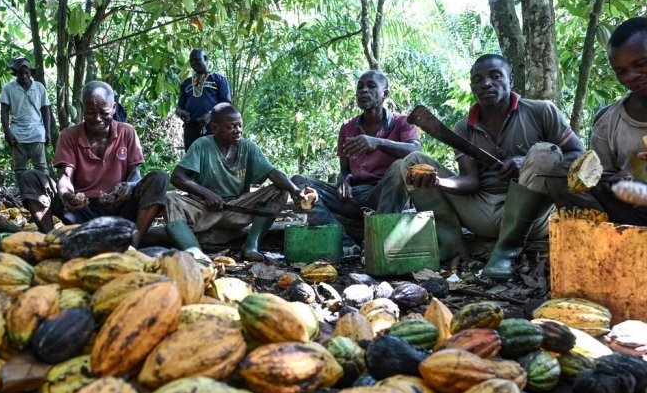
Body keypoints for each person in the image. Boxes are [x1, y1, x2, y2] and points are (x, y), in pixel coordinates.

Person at [389, 54, 584, 280]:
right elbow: (470, 181)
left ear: (511, 81)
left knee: (546, 152)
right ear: (472, 87)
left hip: (530, 216)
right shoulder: (464, 128)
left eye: (495, 76)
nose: (486, 83)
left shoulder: (541, 111)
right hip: (483, 212)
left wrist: (526, 162)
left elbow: (578, 155)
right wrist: (438, 182)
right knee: (412, 160)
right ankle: (449, 244)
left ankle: (506, 252)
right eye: (478, 80)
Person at [19, 81, 168, 246]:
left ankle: (134, 242)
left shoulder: (127, 132)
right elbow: (65, 176)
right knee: (30, 178)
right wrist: (67, 195)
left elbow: (135, 174)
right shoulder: (69, 135)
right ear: (82, 108)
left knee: (159, 178)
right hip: (81, 211)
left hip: (119, 207)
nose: (97, 119)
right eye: (90, 112)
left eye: (104, 112)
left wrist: (130, 186)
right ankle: (52, 242)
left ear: (114, 108)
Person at [292, 70, 421, 256]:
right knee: (298, 183)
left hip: (385, 196)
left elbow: (416, 151)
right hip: (354, 198)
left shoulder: (402, 122)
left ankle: (377, 241)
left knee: (401, 166)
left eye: (371, 86)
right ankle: (344, 241)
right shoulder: (348, 128)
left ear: (385, 93)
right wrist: (344, 180)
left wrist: (377, 142)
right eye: (360, 86)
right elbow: (344, 170)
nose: (363, 90)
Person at [165, 103, 315, 262]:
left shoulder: (248, 147)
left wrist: (295, 190)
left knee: (280, 191)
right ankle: (195, 252)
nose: (238, 130)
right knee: (169, 199)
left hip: (236, 209)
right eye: (232, 126)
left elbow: (273, 172)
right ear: (215, 128)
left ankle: (251, 246)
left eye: (240, 125)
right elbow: (177, 177)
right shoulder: (202, 145)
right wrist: (206, 193)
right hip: (203, 208)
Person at [546, 17, 647, 225]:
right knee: (561, 175)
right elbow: (602, 175)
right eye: (621, 71)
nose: (632, 76)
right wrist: (616, 181)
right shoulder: (608, 121)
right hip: (633, 209)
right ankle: (615, 239)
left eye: (641, 64)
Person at [0, 56, 51, 191]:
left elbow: (46, 110)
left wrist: (47, 132)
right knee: (19, 169)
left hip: (37, 132)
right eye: (20, 73)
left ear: (31, 73)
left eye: (26, 73)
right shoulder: (8, 88)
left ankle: (45, 193)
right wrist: (7, 132)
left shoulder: (39, 87)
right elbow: (4, 111)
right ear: (15, 73)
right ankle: (25, 195)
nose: (23, 76)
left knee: (41, 167)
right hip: (17, 133)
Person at [177, 48, 231, 150]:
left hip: (213, 128)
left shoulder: (218, 79)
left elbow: (226, 104)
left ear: (205, 58)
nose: (193, 63)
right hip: (191, 130)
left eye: (197, 60)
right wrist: (181, 113)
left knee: (213, 160)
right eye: (191, 61)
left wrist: (211, 115)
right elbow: (179, 107)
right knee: (192, 162)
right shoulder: (186, 83)